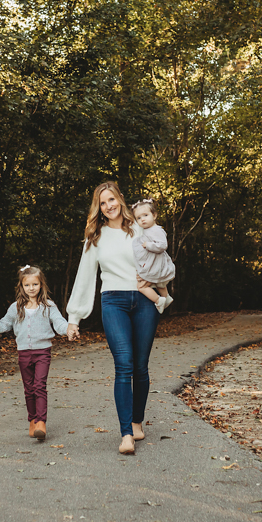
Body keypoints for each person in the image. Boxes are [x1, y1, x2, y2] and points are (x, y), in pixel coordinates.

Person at [66, 182, 159, 455]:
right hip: (113, 302)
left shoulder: (141, 228)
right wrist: (75, 317)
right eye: (102, 203)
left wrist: (157, 287)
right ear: (99, 208)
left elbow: (162, 260)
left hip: (144, 301)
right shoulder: (95, 237)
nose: (109, 206)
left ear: (120, 199)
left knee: (141, 367)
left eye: (112, 199)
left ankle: (137, 420)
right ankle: (126, 434)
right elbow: (85, 277)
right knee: (124, 365)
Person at [0, 265, 75, 442]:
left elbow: (60, 323)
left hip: (42, 352)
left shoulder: (48, 306)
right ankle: (32, 419)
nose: (31, 288)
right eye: (27, 285)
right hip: (24, 353)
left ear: (41, 285)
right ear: (21, 286)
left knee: (39, 386)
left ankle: (41, 422)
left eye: (35, 284)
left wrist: (69, 329)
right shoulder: (16, 307)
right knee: (28, 388)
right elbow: (4, 325)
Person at [130, 198, 176, 314]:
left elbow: (163, 245)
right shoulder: (148, 230)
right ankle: (166, 297)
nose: (142, 219)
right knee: (159, 283)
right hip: (155, 262)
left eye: (145, 215)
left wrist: (148, 245)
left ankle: (158, 300)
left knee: (141, 286)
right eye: (139, 218)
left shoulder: (156, 230)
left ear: (154, 215)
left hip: (156, 263)